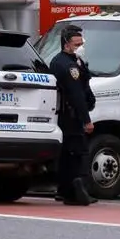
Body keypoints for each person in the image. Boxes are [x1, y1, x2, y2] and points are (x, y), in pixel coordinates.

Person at [49, 24, 97, 206]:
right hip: (70, 115)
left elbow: (85, 85)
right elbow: (76, 95)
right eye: (76, 44)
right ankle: (77, 190)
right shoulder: (65, 64)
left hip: (71, 114)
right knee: (78, 154)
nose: (80, 47)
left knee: (68, 155)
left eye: (81, 43)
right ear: (66, 44)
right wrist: (86, 120)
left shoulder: (76, 61)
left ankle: (64, 190)